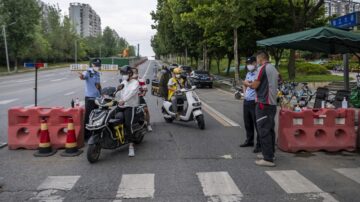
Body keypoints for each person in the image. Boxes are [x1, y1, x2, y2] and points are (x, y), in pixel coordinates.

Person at [243, 51, 279, 167]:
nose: (256, 62)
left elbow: (254, 85)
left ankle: (268, 159)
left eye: (257, 60)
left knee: (263, 130)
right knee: (270, 130)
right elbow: (279, 81)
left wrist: (247, 83)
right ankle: (269, 153)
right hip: (272, 103)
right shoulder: (273, 68)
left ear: (260, 59)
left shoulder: (263, 68)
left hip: (263, 103)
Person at [240, 56, 261, 153]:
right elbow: (244, 84)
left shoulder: (258, 74)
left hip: (254, 101)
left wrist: (247, 84)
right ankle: (249, 140)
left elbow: (254, 86)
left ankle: (259, 144)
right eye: (248, 64)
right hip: (247, 100)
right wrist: (244, 94)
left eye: (251, 63)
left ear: (255, 63)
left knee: (256, 123)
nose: (249, 65)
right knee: (247, 123)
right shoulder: (248, 73)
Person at [118, 65, 140, 157]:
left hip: (130, 106)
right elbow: (119, 93)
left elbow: (132, 93)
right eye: (122, 74)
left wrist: (124, 100)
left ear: (130, 73)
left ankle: (131, 146)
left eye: (125, 73)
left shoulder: (135, 83)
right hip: (121, 105)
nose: (123, 75)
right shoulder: (123, 82)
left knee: (128, 124)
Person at [79, 58, 102, 140]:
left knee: (97, 116)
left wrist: (102, 93)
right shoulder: (88, 72)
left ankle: (94, 133)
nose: (97, 66)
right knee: (88, 117)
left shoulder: (98, 74)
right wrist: (81, 76)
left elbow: (98, 85)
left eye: (98, 65)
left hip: (97, 98)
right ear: (92, 65)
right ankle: (86, 136)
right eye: (96, 65)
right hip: (90, 98)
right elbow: (83, 77)